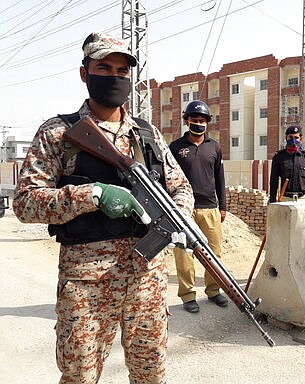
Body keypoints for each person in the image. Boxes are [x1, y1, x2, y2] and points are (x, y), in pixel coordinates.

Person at [13, 32, 194, 383]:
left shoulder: (148, 134)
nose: (115, 77)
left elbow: (180, 187)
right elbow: (25, 202)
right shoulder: (59, 133)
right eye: (104, 68)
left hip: (147, 279)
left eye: (122, 71)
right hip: (87, 280)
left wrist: (178, 217)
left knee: (150, 374)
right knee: (80, 375)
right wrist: (92, 194)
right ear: (85, 73)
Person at [169, 100, 228, 313]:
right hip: (183, 210)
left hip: (210, 208)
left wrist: (223, 206)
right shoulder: (175, 148)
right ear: (187, 121)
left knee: (214, 253)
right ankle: (187, 295)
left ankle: (213, 291)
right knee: (184, 253)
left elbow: (220, 179)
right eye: (194, 120)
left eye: (202, 121)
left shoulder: (214, 147)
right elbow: (168, 179)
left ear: (207, 123)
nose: (198, 124)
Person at [269, 125, 305, 203]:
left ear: (300, 139)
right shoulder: (279, 157)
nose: (293, 140)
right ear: (286, 138)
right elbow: (274, 181)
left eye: (296, 137)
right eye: (290, 137)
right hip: (286, 199)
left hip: (303, 199)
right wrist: (273, 200)